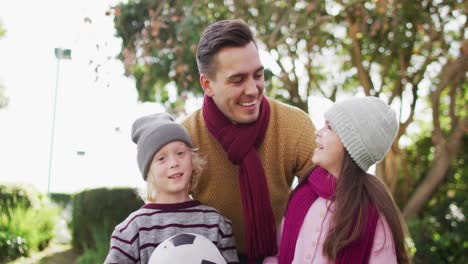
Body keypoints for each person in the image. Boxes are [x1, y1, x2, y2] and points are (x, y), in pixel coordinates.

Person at [181, 19, 316, 263]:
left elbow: (329, 198)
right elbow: (164, 210)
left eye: (258, 75)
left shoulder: (295, 125)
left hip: (283, 254)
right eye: (238, 80)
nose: (253, 89)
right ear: (207, 84)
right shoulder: (184, 138)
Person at [264, 96, 411, 264]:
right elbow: (277, 251)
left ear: (351, 146)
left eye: (329, 127)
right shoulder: (304, 192)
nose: (317, 132)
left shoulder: (370, 212)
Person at [104, 113, 239, 263]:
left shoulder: (216, 224)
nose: (174, 163)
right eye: (161, 158)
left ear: (192, 160)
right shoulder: (131, 231)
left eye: (180, 153)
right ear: (148, 171)